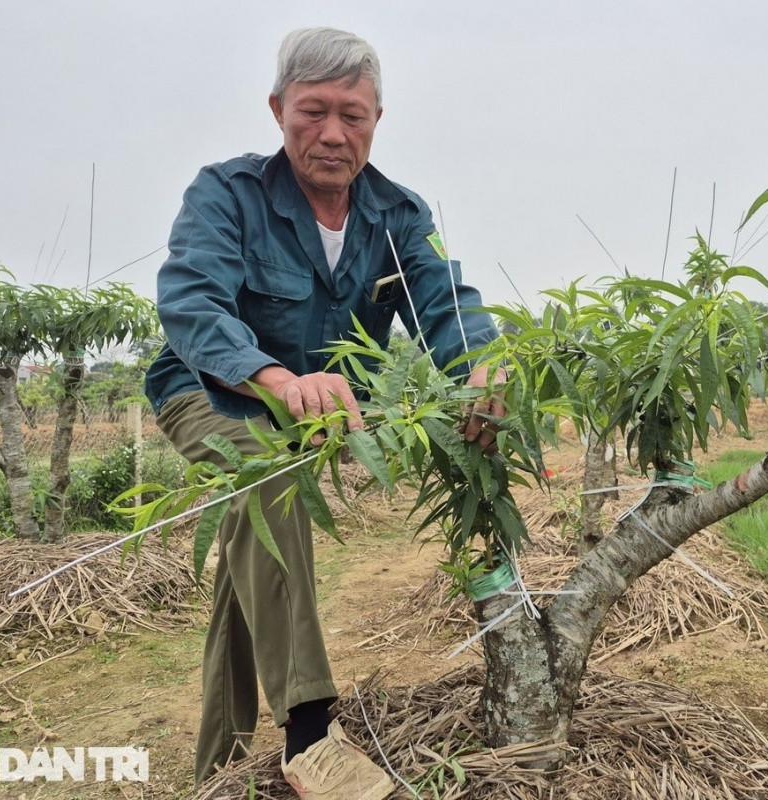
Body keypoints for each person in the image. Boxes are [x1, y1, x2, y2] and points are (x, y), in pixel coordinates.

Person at [145, 27, 503, 800]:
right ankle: (310, 733)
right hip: (208, 393)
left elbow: (447, 306)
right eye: (312, 112)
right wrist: (272, 377)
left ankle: (219, 770)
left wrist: (481, 366)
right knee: (268, 479)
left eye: (354, 114)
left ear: (377, 119)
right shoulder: (227, 193)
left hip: (313, 416)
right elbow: (191, 302)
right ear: (278, 110)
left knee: (252, 557)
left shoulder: (400, 216)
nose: (333, 134)